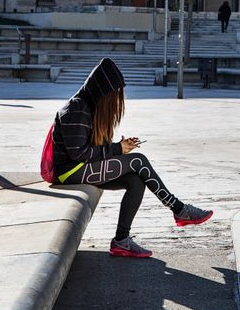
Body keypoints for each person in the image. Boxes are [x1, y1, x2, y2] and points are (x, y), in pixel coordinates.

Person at [53, 58, 213, 258]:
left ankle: (121, 241)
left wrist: (118, 146)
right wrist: (117, 149)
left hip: (81, 168)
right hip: (70, 172)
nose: (116, 101)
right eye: (114, 95)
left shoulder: (89, 106)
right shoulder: (77, 109)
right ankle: (179, 209)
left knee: (136, 180)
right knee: (138, 160)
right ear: (103, 91)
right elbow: (78, 154)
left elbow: (91, 148)